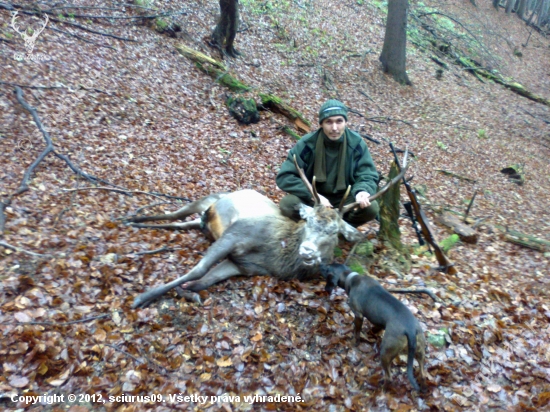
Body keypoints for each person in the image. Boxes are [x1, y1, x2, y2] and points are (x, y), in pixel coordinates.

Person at [276, 99, 379, 227]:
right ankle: (315, 227)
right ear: (321, 124)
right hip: (314, 199)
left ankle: (341, 228)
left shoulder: (356, 144)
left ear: (346, 122)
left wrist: (362, 191)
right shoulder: (307, 144)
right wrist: (313, 195)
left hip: (345, 200)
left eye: (339, 121)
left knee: (371, 208)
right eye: (329, 122)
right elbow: (285, 176)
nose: (334, 128)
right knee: (287, 204)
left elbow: (367, 175)